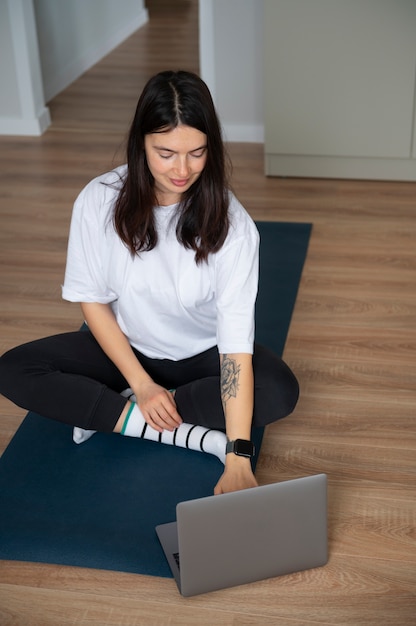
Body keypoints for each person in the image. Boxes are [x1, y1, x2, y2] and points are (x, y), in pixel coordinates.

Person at [0, 70, 299, 494]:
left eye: (197, 153)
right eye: (166, 153)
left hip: (201, 353)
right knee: (13, 369)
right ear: (140, 143)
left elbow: (234, 348)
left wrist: (237, 456)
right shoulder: (98, 199)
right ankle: (144, 418)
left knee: (279, 391)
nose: (183, 169)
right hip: (126, 344)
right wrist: (141, 386)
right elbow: (93, 303)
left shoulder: (235, 227)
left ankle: (114, 414)